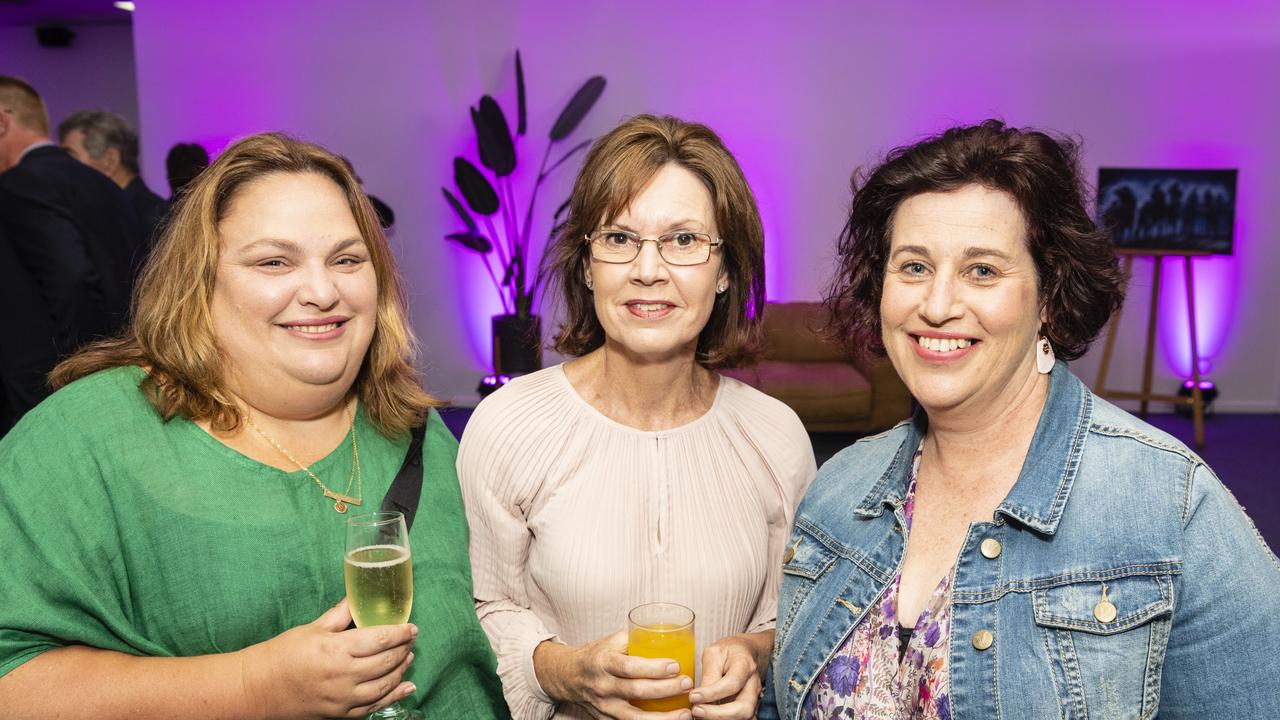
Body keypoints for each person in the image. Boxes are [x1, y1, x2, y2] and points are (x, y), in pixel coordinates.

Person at [762, 120, 1280, 719]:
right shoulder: (838, 489)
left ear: (1049, 296)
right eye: (913, 267)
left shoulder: (1168, 503)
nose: (936, 305)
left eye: (982, 270)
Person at [0, 132, 507, 719]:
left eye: (347, 259)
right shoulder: (84, 441)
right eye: (273, 261)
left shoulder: (415, 425)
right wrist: (253, 686)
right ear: (200, 279)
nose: (323, 292)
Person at [458, 114, 817, 720]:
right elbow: (484, 608)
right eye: (620, 239)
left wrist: (753, 655)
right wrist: (563, 671)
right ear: (587, 264)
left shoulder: (776, 437)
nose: (648, 271)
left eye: (683, 240)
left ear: (725, 271)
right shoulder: (506, 426)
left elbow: (793, 621)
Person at [0, 76, 140, 427]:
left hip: (50, 391)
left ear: (3, 123)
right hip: (125, 376)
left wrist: (77, 372)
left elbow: (72, 277)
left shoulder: (18, 186)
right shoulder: (107, 186)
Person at [59, 109, 168, 252]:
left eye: (71, 158)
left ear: (109, 161)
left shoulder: (155, 220)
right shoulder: (117, 215)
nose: (63, 168)